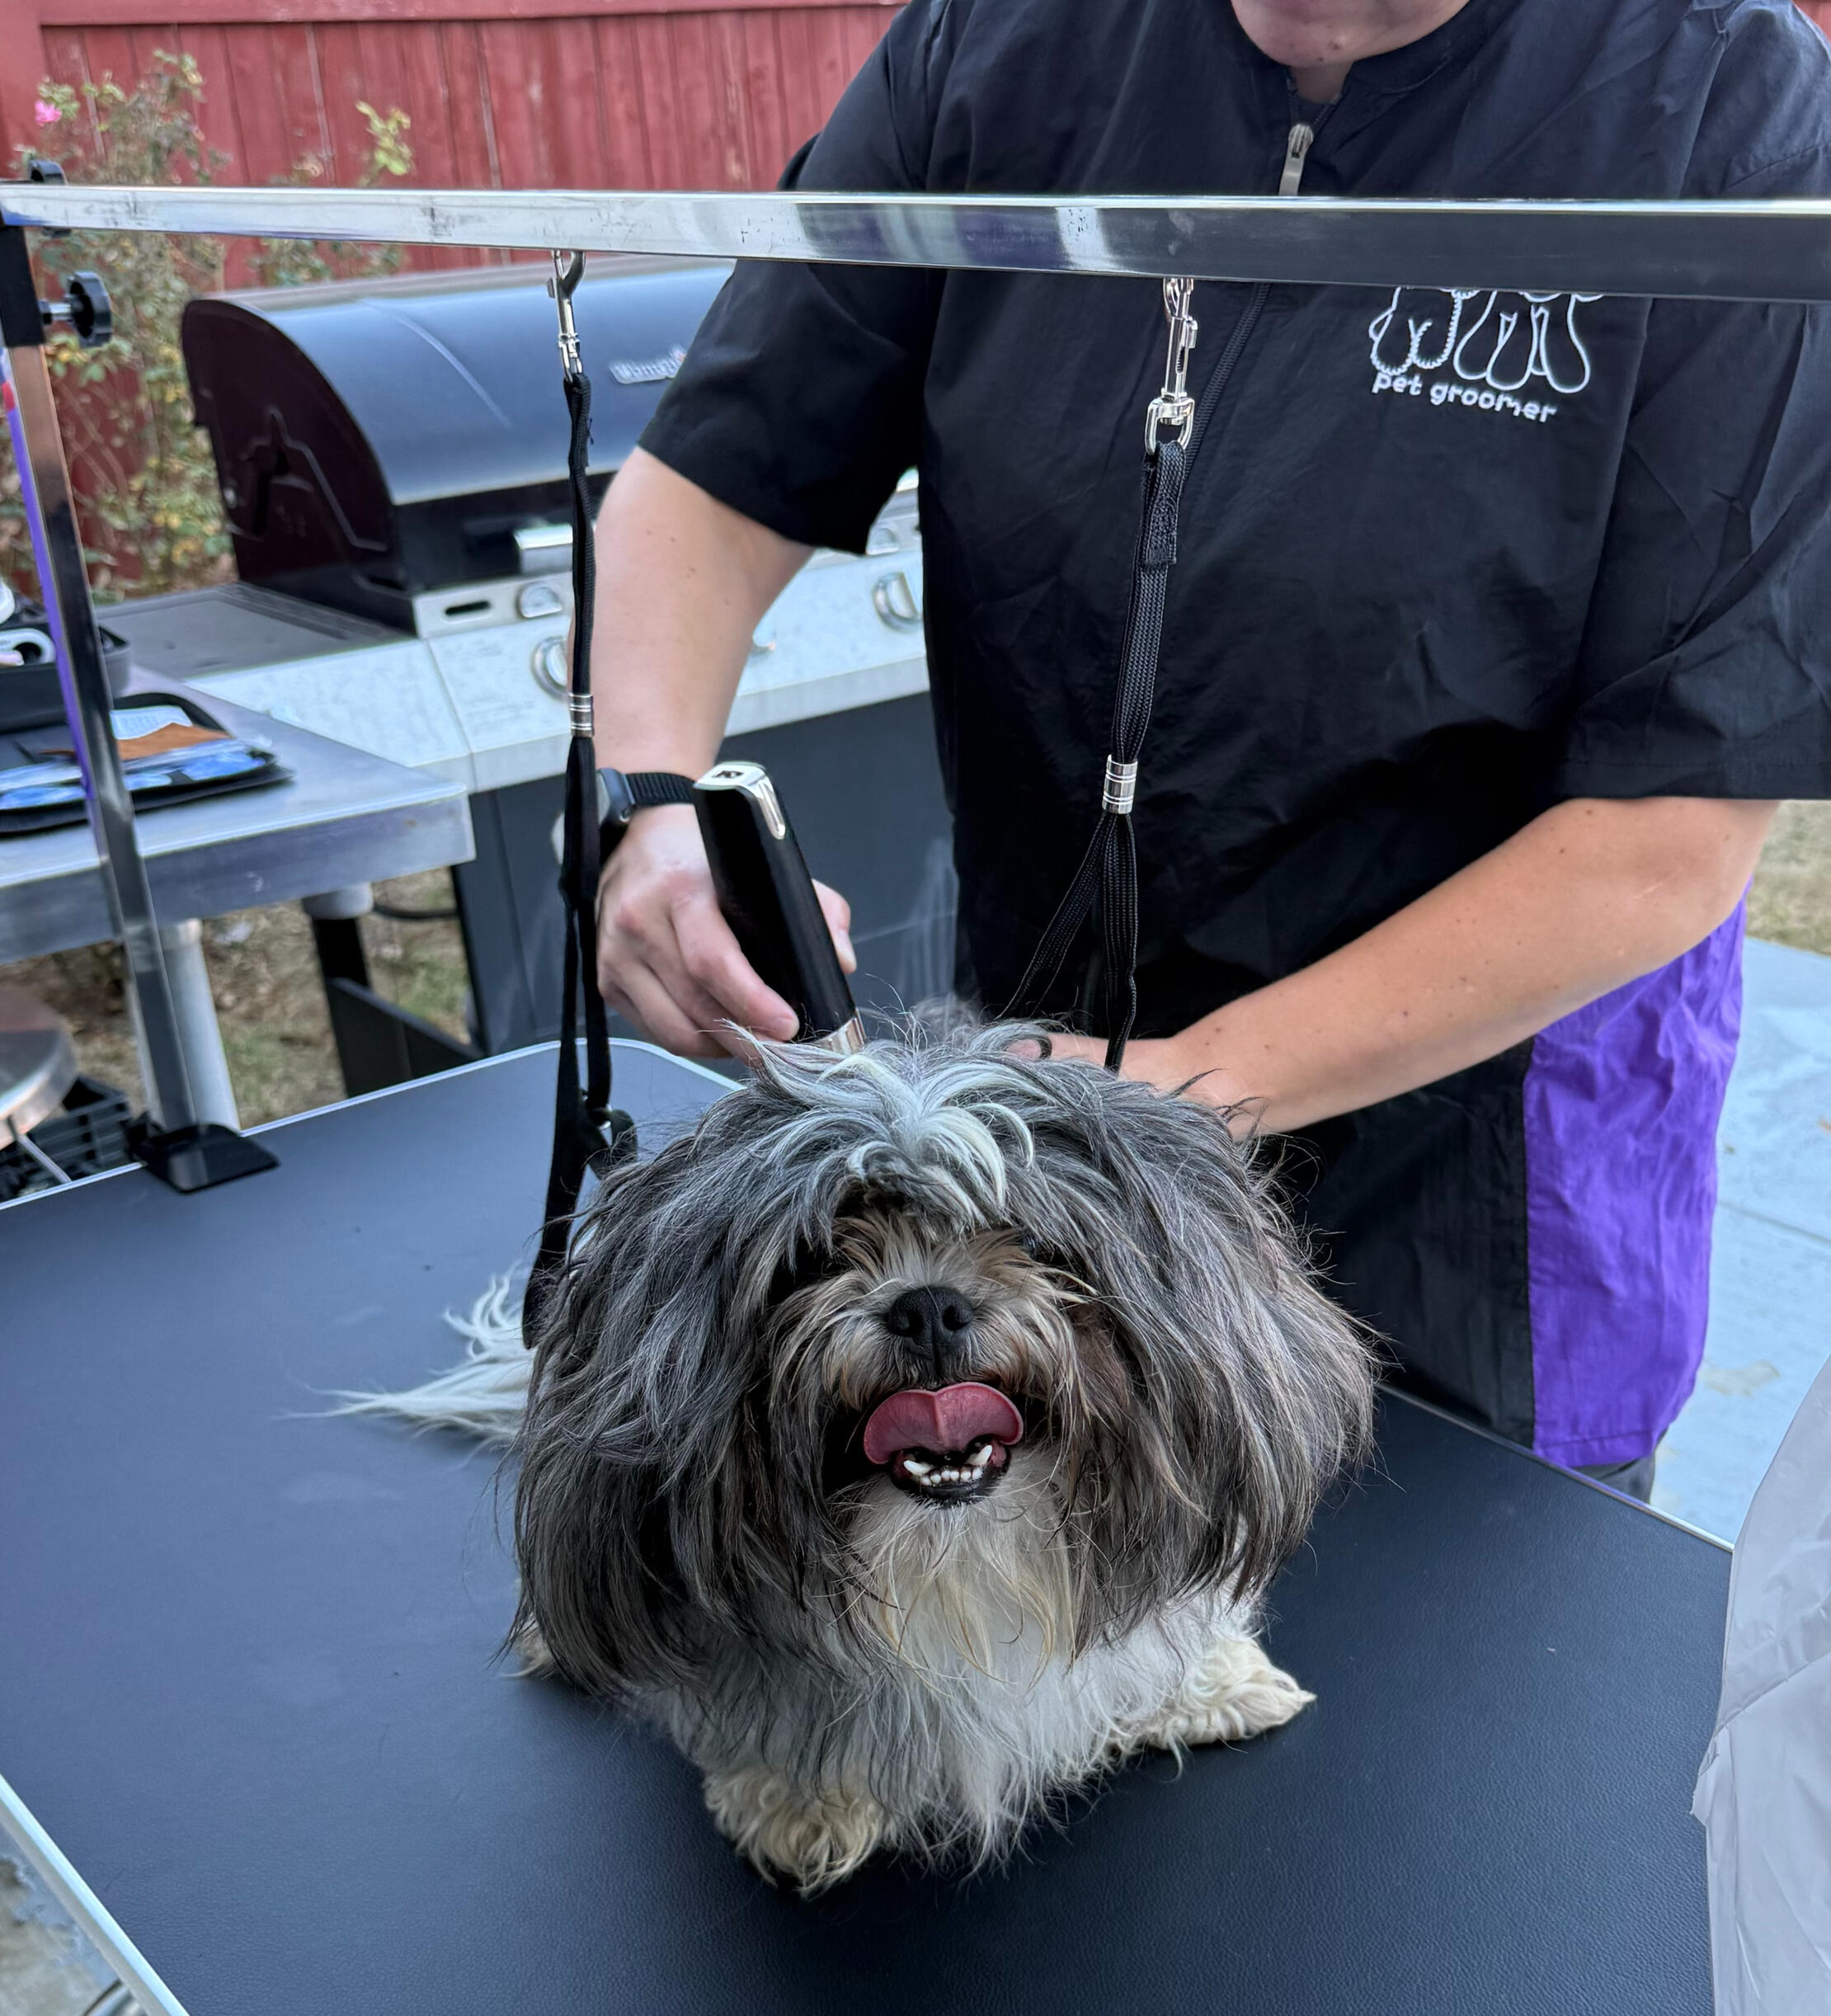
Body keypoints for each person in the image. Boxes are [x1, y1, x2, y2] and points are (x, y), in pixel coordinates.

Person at [581, 0, 1831, 1499]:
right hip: (1040, 1163)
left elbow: (1668, 834)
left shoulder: (1723, 107)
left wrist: (1183, 1088)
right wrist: (651, 806)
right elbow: (714, 479)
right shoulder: (997, 46)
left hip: (1474, 1200)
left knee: (1447, 1626)